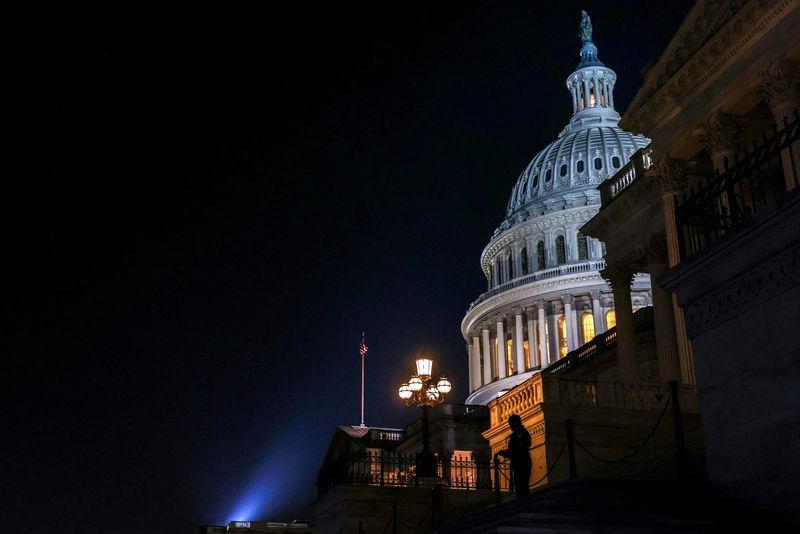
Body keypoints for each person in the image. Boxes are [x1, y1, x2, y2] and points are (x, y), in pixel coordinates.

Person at [498, 414, 532, 496]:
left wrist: (507, 453)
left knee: (522, 487)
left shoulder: (522, 433)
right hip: (518, 464)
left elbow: (521, 448)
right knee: (519, 486)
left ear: (517, 423)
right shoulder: (516, 434)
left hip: (522, 463)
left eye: (511, 424)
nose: (511, 427)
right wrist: (507, 452)